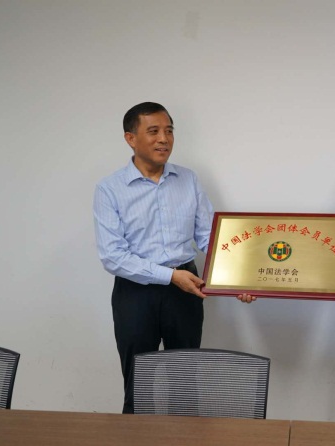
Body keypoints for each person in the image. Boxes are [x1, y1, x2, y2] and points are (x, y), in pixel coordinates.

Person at [93, 102, 254, 414]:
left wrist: (242, 279)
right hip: (135, 293)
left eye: (169, 131)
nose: (164, 139)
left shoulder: (188, 179)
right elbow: (113, 256)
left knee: (185, 383)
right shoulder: (109, 189)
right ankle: (137, 436)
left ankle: (185, 436)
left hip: (185, 290)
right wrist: (169, 276)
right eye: (153, 131)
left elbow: (210, 238)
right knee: (139, 385)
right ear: (130, 138)